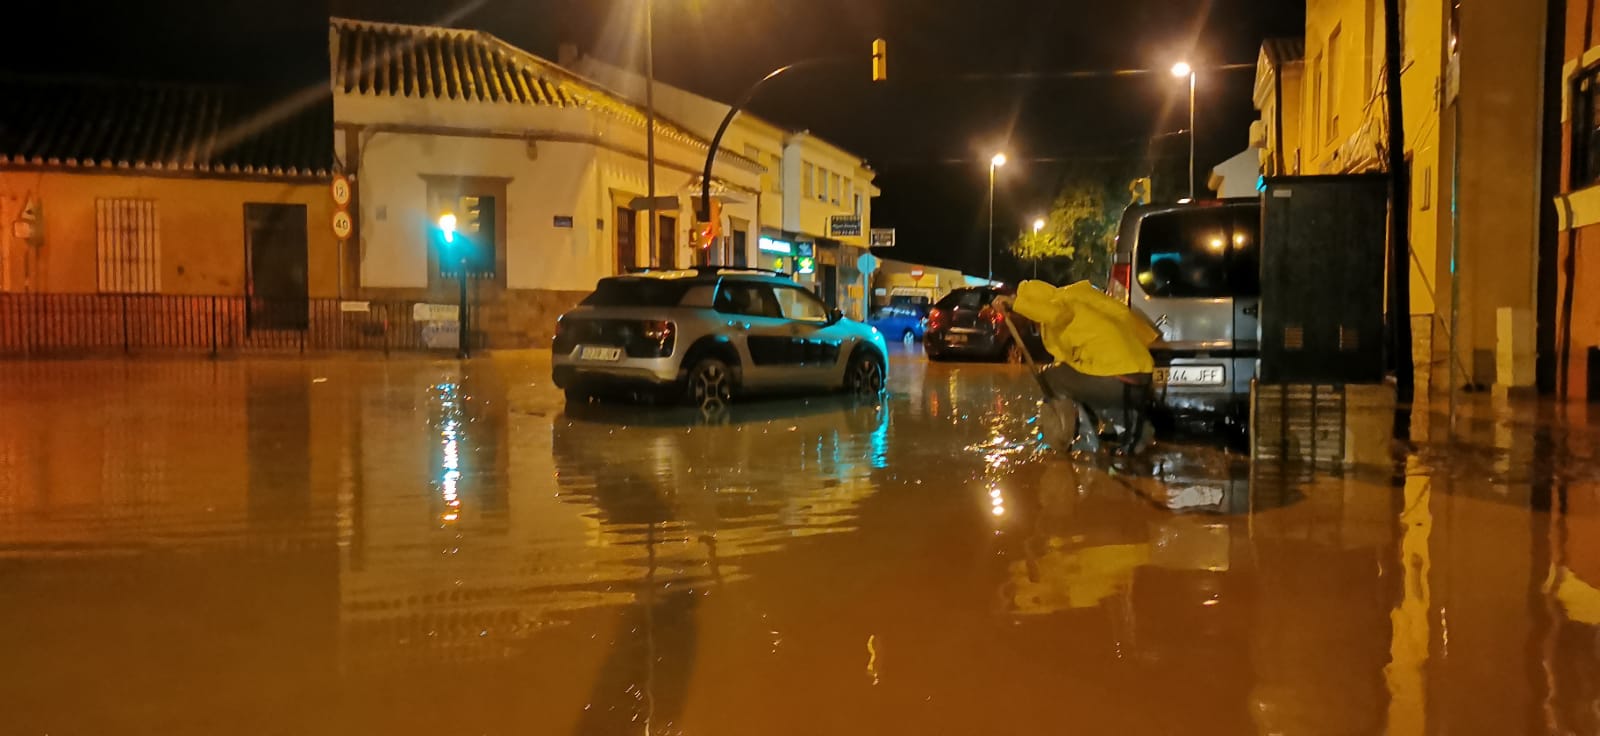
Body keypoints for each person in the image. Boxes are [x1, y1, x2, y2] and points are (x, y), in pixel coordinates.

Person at [1008, 279, 1160, 447]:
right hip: (1141, 378)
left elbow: (1056, 314)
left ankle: (1075, 438)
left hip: (1119, 380)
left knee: (1050, 378)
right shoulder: (1080, 299)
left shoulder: (1060, 307)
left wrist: (1013, 303)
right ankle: (1130, 430)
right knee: (1073, 380)